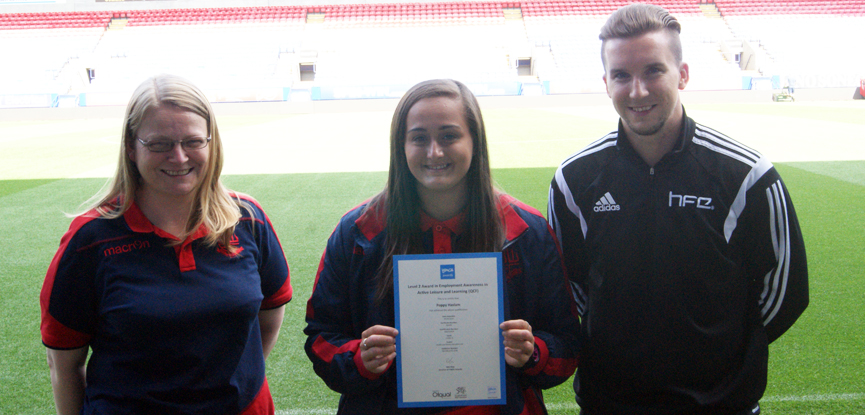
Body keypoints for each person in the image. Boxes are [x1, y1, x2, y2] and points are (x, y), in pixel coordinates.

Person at [547, 4, 809, 415]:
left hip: (721, 406)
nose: (637, 91)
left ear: (682, 74)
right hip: (610, 404)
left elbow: (785, 291)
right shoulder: (574, 180)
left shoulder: (746, 174)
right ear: (606, 81)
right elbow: (572, 286)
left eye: (653, 70)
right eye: (621, 75)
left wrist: (719, 350)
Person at [304, 79, 580, 415]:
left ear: (474, 142)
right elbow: (321, 337)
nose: (434, 152)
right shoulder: (357, 232)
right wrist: (359, 358)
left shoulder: (527, 230)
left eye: (449, 135)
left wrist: (533, 352)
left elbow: (567, 344)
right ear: (400, 146)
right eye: (419, 138)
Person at [40, 74, 292, 415]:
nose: (178, 156)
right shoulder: (90, 240)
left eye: (192, 141)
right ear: (131, 146)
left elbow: (270, 314)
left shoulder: (248, 219)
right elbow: (65, 365)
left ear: (211, 142)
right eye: (159, 144)